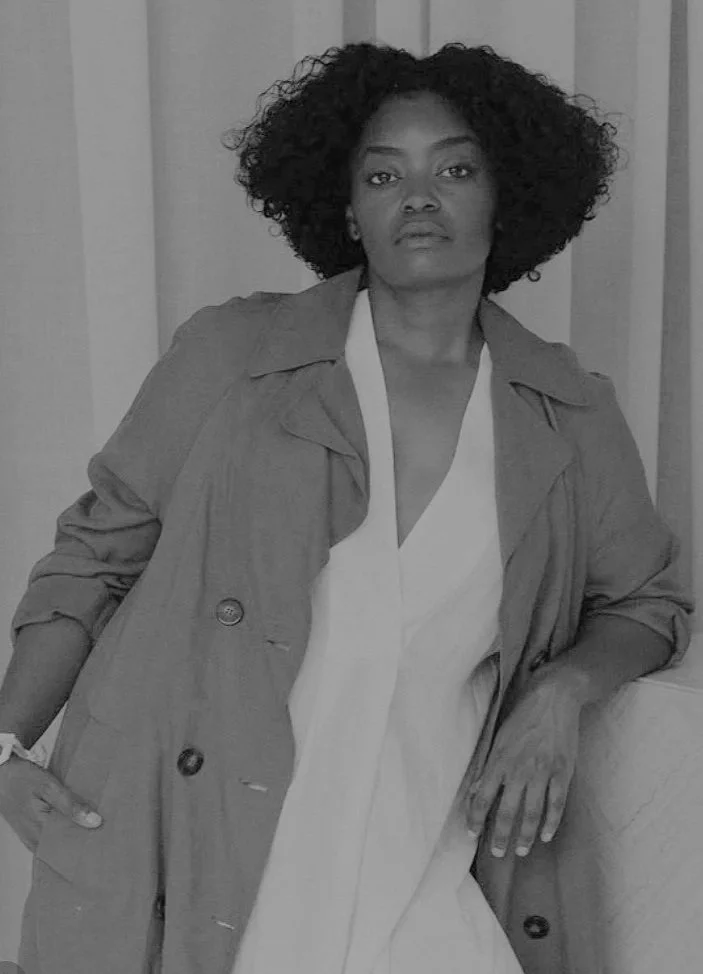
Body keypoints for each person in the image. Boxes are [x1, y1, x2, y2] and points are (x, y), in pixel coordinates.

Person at [0, 41, 693, 974]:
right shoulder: (233, 355)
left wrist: (559, 694)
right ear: (347, 209)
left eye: (454, 168)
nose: (418, 195)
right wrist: (2, 745)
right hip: (194, 855)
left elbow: (647, 602)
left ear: (506, 197)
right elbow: (96, 556)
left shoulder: (567, 412)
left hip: (421, 865)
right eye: (382, 172)